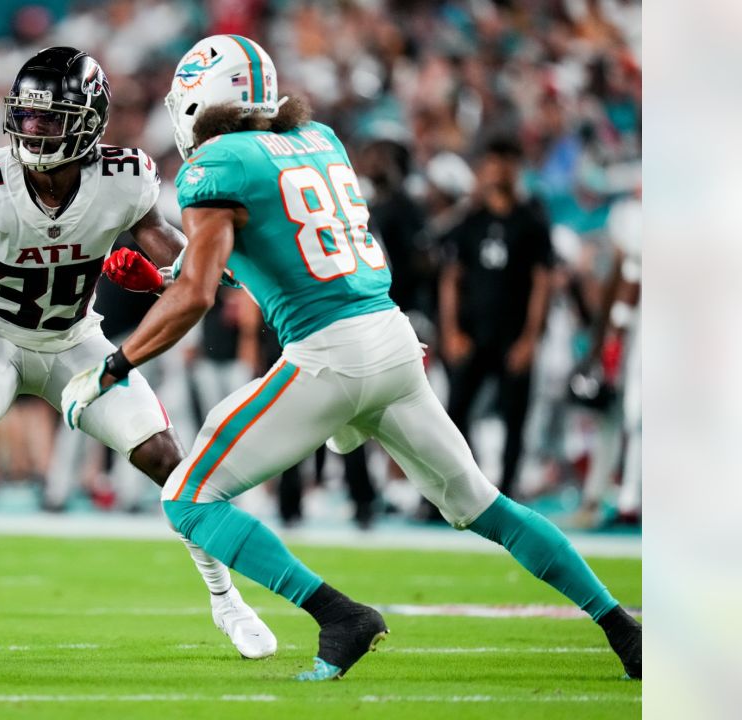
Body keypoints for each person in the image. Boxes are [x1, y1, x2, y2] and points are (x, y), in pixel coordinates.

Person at [62, 35, 641, 682]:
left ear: (201, 98)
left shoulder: (216, 163)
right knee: (487, 507)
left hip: (329, 358)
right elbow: (284, 253)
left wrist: (114, 365)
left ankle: (340, 616)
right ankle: (622, 628)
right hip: (388, 338)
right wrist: (175, 271)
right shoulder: (320, 139)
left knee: (189, 500)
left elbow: (202, 291)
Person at [0, 47, 275, 659]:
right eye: (24, 118)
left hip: (75, 340)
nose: (31, 131)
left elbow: (184, 260)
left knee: (168, 458)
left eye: (47, 119)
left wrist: (164, 276)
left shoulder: (124, 178)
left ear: (87, 121)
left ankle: (227, 602)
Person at [438, 137, 554, 499]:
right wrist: (451, 331)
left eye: (506, 160)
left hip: (513, 335)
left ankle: (508, 493)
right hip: (473, 334)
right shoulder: (470, 221)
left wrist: (531, 339)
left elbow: (543, 282)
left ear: (516, 168)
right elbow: (450, 279)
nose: (498, 169)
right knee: (453, 414)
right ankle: (462, 490)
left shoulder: (532, 222)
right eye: (492, 160)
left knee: (514, 418)